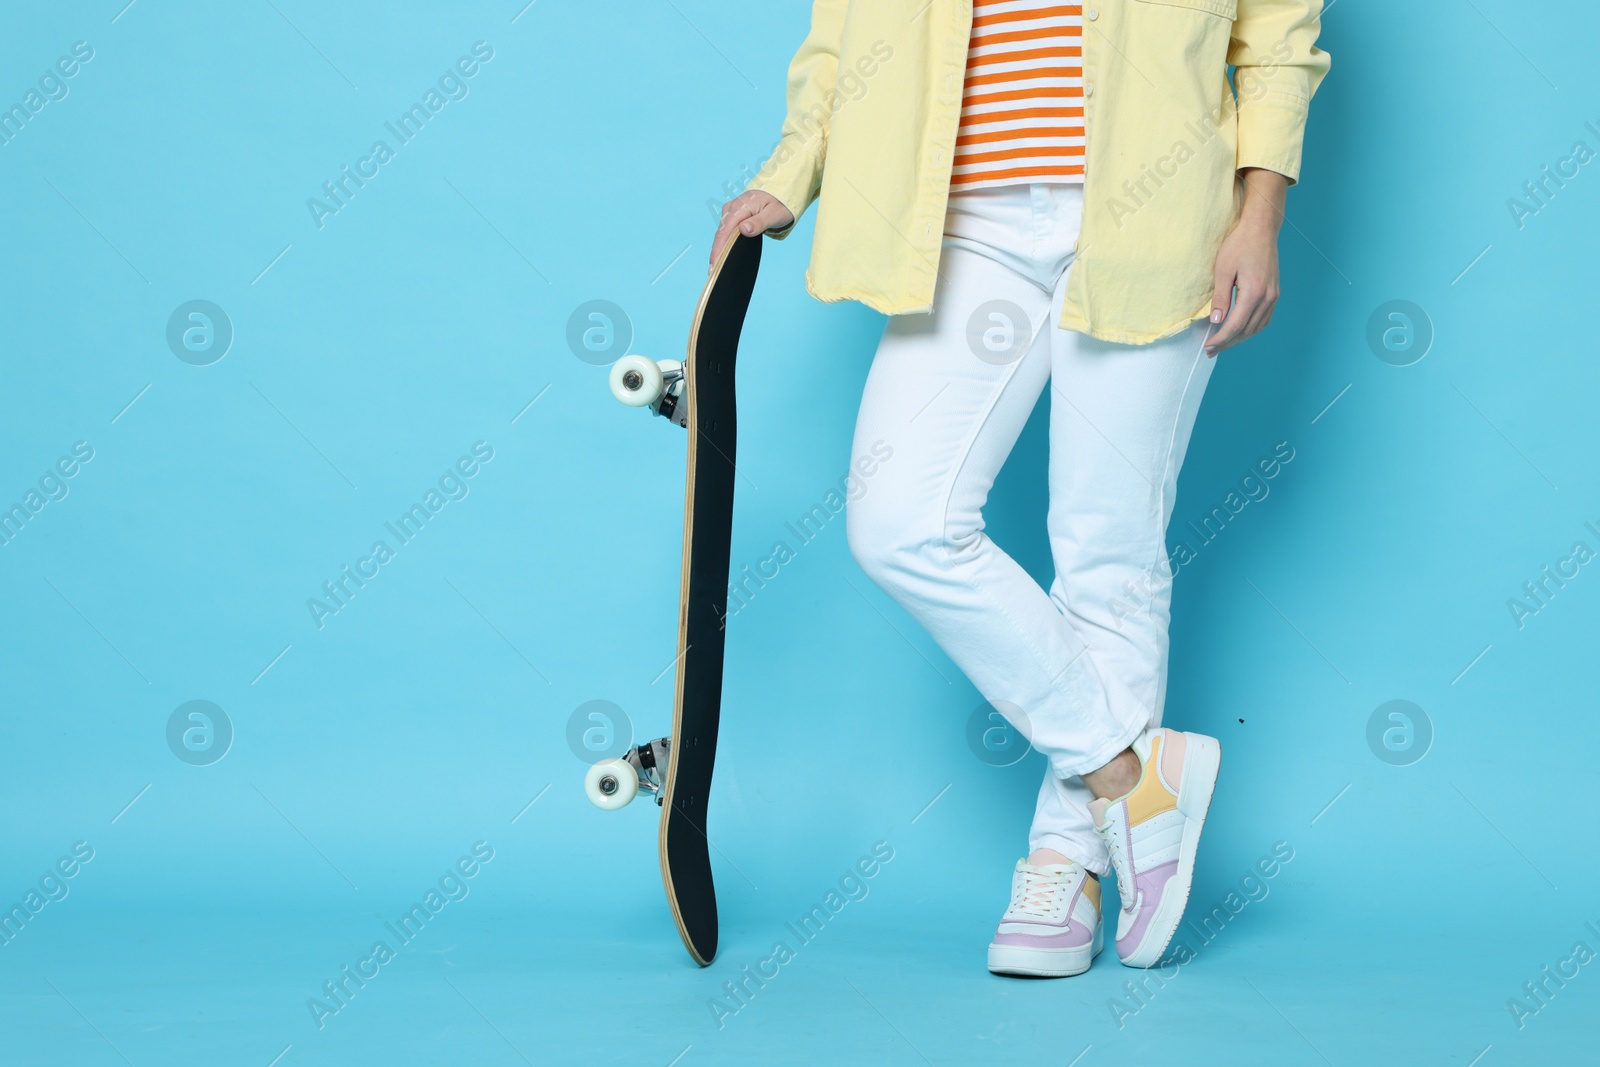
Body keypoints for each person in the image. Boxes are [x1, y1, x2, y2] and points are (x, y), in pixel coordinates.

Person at [712, 0, 1329, 977]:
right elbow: (846, 33)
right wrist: (792, 170)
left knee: (1108, 541)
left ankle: (1064, 862)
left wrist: (1259, 216)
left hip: (1152, 205)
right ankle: (1130, 775)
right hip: (960, 219)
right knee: (897, 520)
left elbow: (1276, 37)